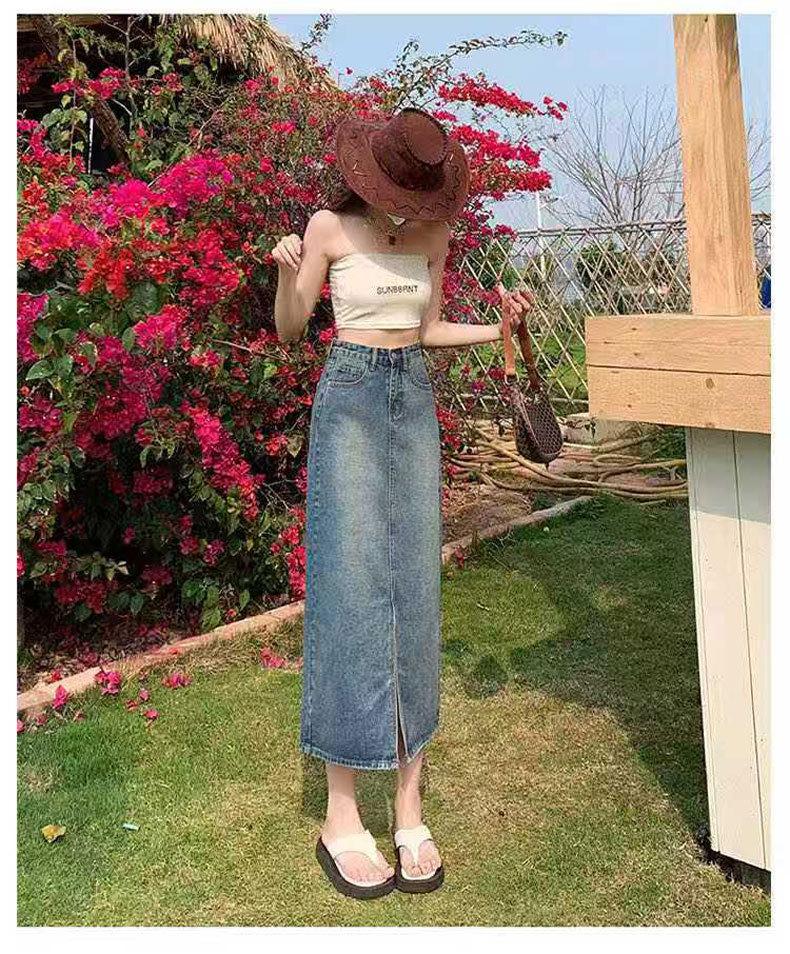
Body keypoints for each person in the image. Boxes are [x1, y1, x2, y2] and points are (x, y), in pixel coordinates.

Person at [272, 107, 532, 900]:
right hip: (350, 395)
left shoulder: (432, 236)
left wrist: (498, 330)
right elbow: (290, 329)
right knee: (350, 591)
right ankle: (341, 814)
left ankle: (410, 807)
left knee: (415, 589)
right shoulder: (326, 228)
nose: (408, 207)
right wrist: (286, 272)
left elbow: (426, 330)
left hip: (410, 399)